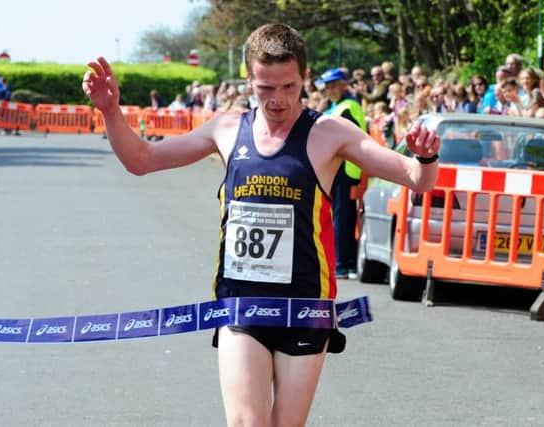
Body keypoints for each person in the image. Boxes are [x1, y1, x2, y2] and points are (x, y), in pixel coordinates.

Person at [82, 23, 440, 427]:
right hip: (241, 304)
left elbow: (416, 179)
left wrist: (425, 158)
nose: (277, 100)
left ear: (304, 78)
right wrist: (111, 111)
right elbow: (142, 160)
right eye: (265, 88)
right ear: (248, 80)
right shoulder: (227, 128)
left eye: (288, 87)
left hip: (305, 308)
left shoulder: (329, 133)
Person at [317, 67, 366, 279]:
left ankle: (342, 265)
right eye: (327, 87)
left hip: (345, 170)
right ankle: (343, 263)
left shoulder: (348, 107)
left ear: (344, 85)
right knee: (340, 217)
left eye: (334, 85)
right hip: (340, 169)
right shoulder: (337, 106)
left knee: (342, 219)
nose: (330, 90)